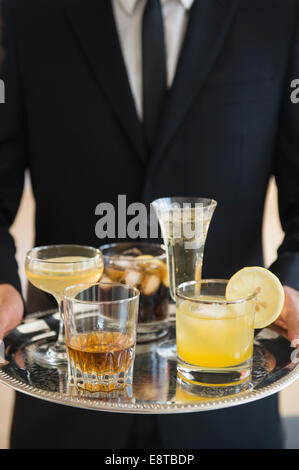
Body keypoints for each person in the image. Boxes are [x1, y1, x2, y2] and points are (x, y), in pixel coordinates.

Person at [0, 0, 299, 449]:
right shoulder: (28, 12)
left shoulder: (279, 13)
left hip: (225, 402)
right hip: (69, 403)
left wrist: (293, 287)